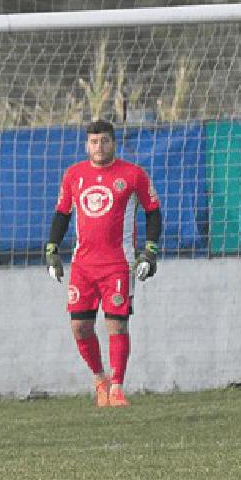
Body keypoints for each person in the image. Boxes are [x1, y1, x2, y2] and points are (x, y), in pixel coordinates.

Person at [44, 120, 161, 408]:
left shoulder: (133, 175)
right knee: (80, 327)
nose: (100, 147)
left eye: (105, 141)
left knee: (116, 326)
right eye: (95, 142)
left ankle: (118, 388)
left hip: (118, 264)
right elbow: (62, 214)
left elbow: (153, 212)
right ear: (87, 145)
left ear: (114, 143)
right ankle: (100, 381)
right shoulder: (74, 175)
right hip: (82, 266)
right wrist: (52, 250)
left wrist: (150, 251)